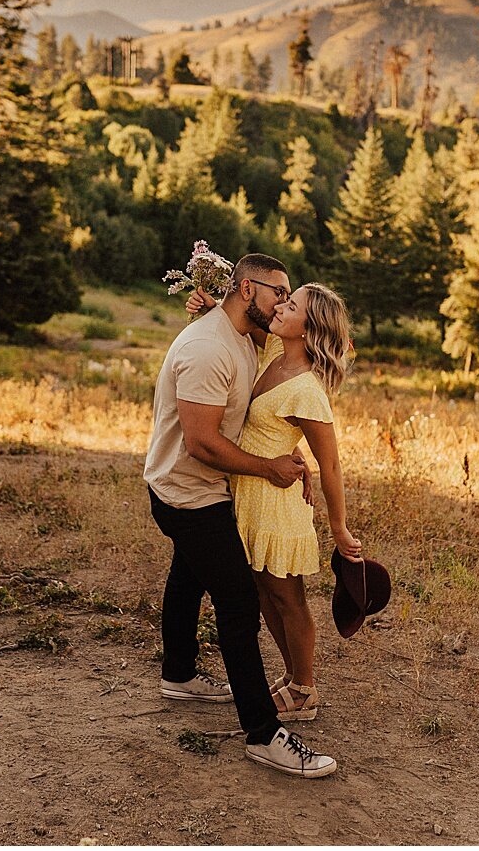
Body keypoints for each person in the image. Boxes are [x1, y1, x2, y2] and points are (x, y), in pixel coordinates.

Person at [144, 253, 338, 779]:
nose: (283, 303)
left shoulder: (236, 333)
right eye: (280, 292)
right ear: (249, 290)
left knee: (188, 575)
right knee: (238, 601)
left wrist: (210, 305)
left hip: (195, 487)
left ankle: (179, 674)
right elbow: (203, 442)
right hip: (190, 493)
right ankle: (263, 732)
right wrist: (269, 467)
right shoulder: (209, 347)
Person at [230, 283, 362, 722]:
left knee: (289, 599)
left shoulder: (307, 390)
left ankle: (305, 690)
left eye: (292, 305)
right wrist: (210, 304)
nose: (280, 307)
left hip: (279, 506)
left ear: (309, 328)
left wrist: (340, 529)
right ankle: (291, 678)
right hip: (252, 494)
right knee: (265, 594)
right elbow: (239, 323)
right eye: (284, 300)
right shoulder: (273, 354)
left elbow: (333, 466)